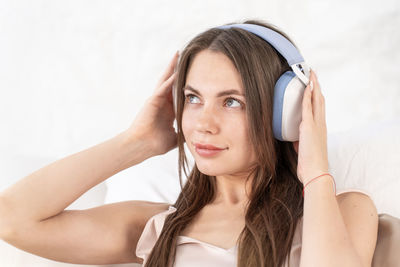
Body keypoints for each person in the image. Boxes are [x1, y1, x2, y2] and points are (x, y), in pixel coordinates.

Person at [0, 19, 378, 267]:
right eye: (193, 98)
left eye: (233, 102)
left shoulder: (343, 212)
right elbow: (12, 218)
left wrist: (315, 174)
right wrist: (138, 141)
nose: (203, 124)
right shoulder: (156, 228)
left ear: (286, 114)